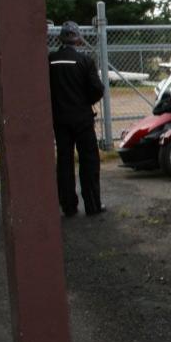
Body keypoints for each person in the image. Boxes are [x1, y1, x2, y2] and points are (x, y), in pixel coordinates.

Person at [48, 21, 106, 217]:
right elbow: (97, 89)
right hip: (82, 118)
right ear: (78, 39)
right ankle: (92, 205)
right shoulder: (84, 61)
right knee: (89, 161)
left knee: (64, 162)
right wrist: (85, 101)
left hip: (60, 119)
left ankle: (68, 206)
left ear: (61, 39)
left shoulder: (50, 60)